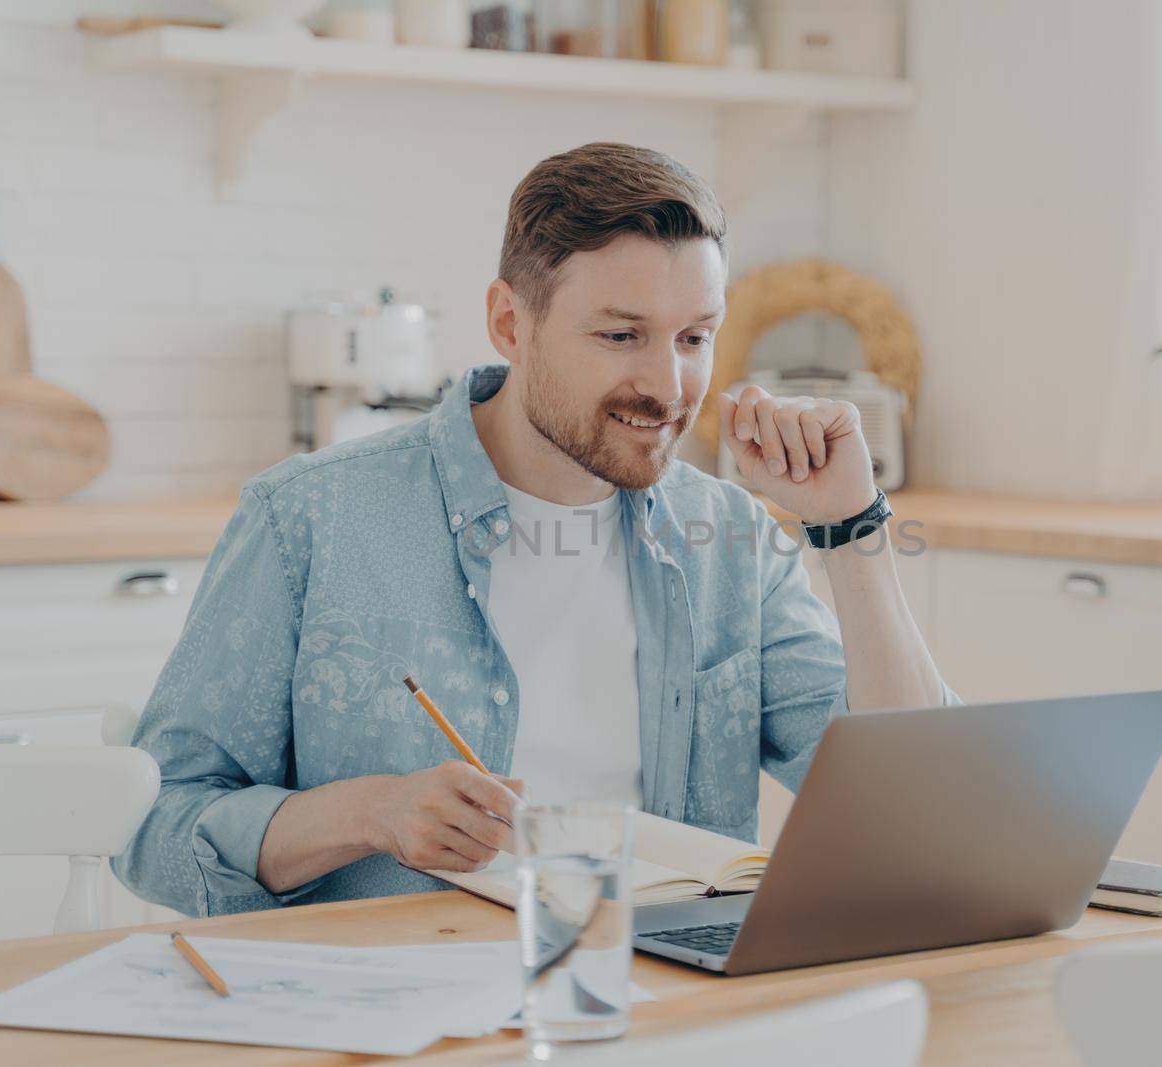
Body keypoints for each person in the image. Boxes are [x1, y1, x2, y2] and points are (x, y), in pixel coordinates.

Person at [113, 142, 956, 917]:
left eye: (695, 337)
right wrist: (373, 813)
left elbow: (923, 809)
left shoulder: (728, 537)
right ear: (511, 323)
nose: (668, 386)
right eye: (621, 335)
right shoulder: (311, 519)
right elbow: (153, 827)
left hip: (667, 1006)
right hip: (401, 1009)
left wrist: (852, 529)